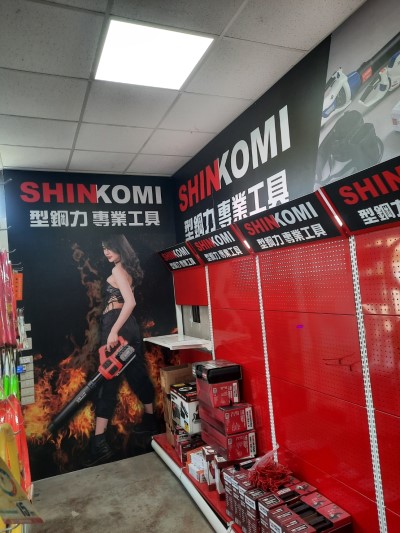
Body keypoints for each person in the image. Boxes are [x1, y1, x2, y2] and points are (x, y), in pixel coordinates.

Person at [87, 234, 157, 466]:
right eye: (104, 248)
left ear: (119, 248)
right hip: (130, 327)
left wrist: (113, 331)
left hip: (117, 325)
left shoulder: (118, 270)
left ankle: (99, 443)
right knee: (138, 374)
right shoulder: (127, 269)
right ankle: (151, 422)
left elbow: (130, 301)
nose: (106, 252)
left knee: (107, 380)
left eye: (109, 247)